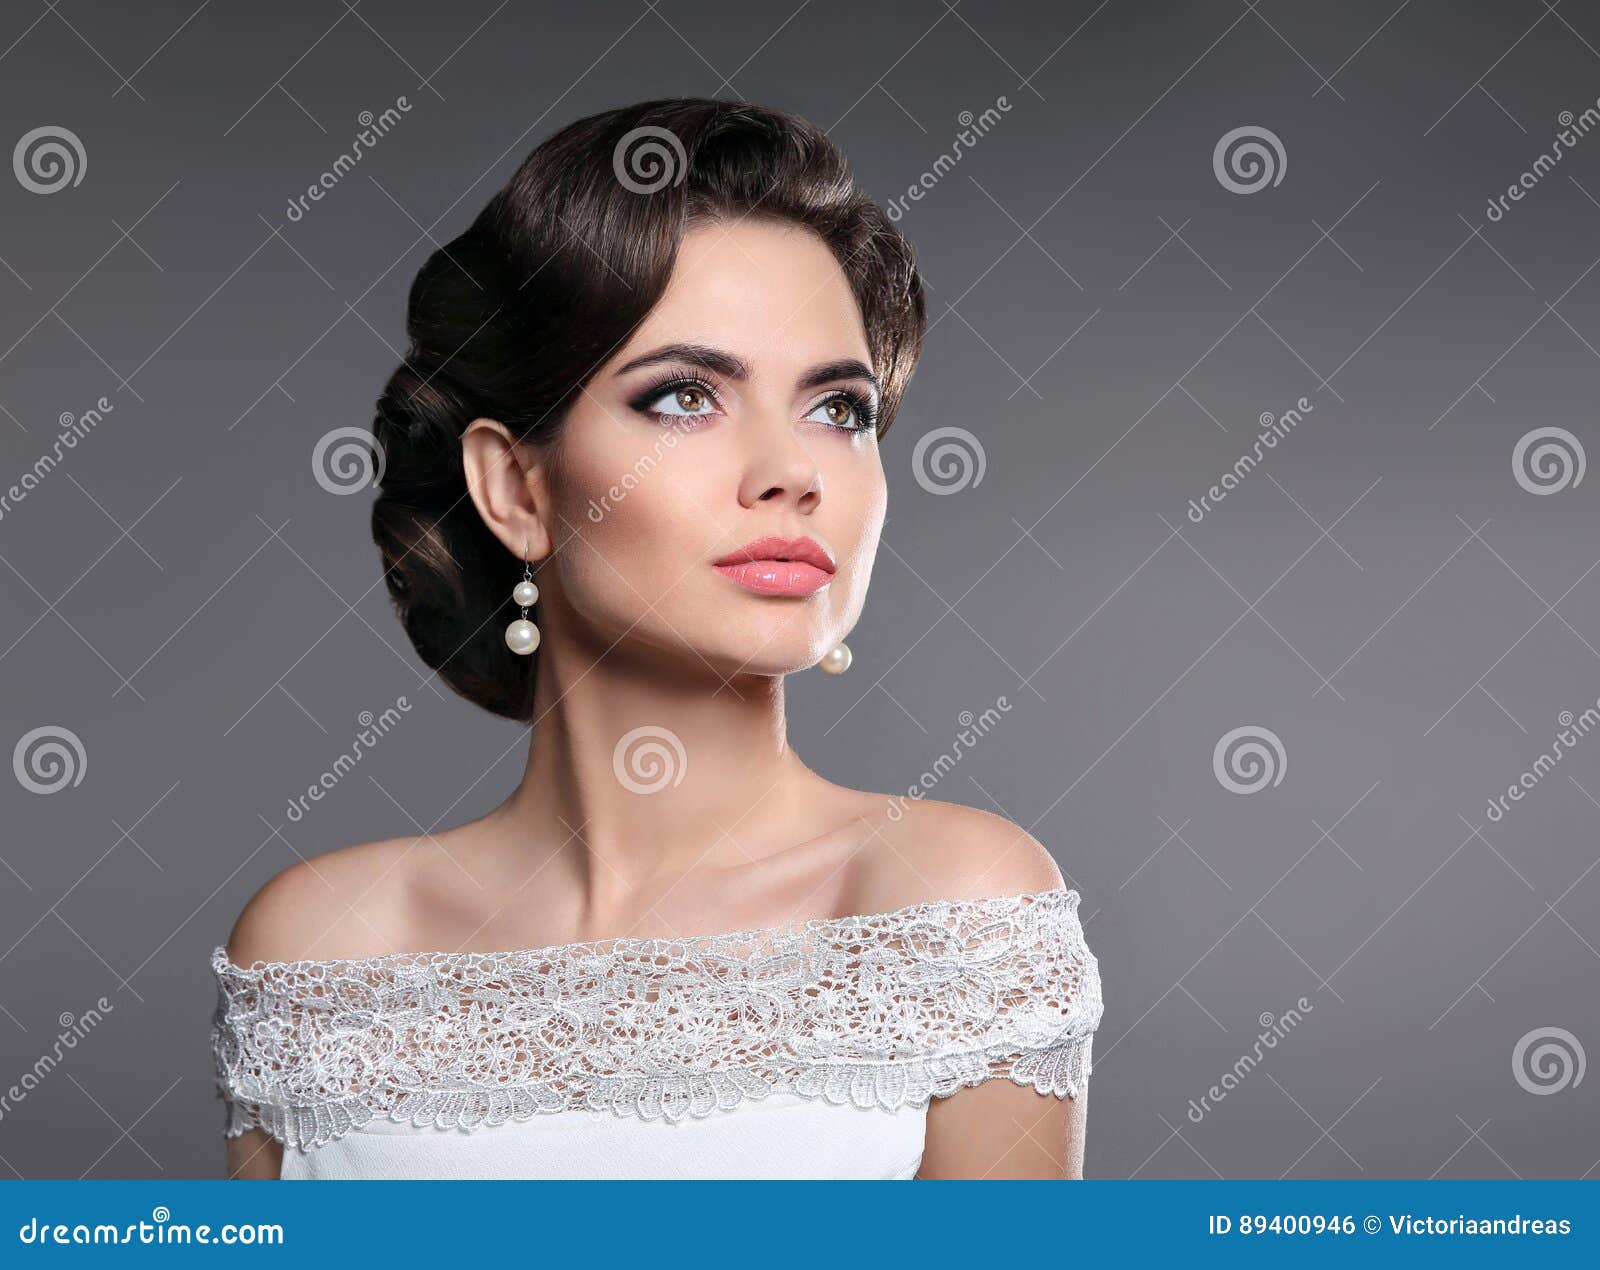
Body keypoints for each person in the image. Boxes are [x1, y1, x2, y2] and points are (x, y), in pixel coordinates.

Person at [210, 96, 1103, 1180]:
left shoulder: (951, 904)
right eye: (685, 396)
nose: (794, 471)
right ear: (514, 484)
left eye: (840, 410)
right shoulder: (323, 944)